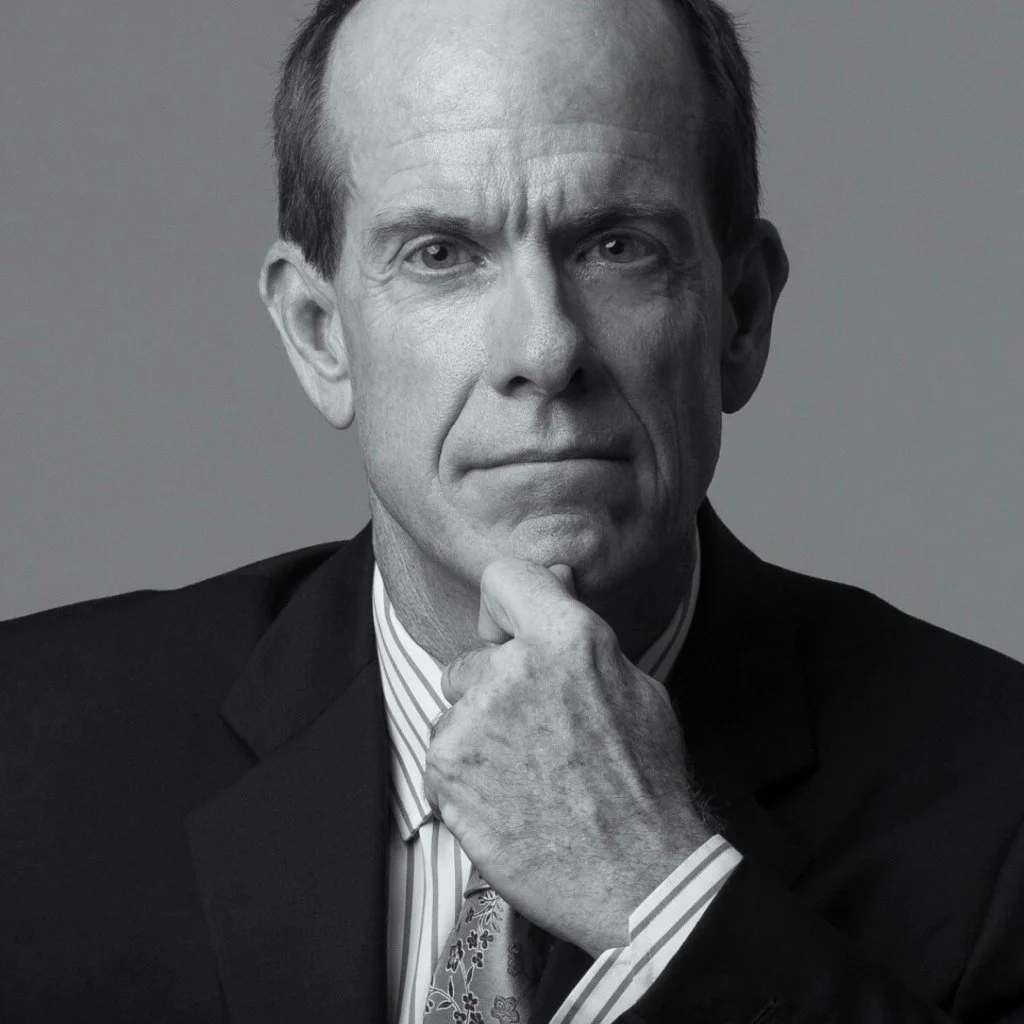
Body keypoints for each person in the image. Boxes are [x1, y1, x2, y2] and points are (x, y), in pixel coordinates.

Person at [1, 0, 1022, 1021]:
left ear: (740, 317)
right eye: (441, 254)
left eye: (615, 246)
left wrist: (659, 895)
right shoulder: (31, 757)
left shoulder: (998, 801)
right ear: (320, 336)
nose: (543, 349)